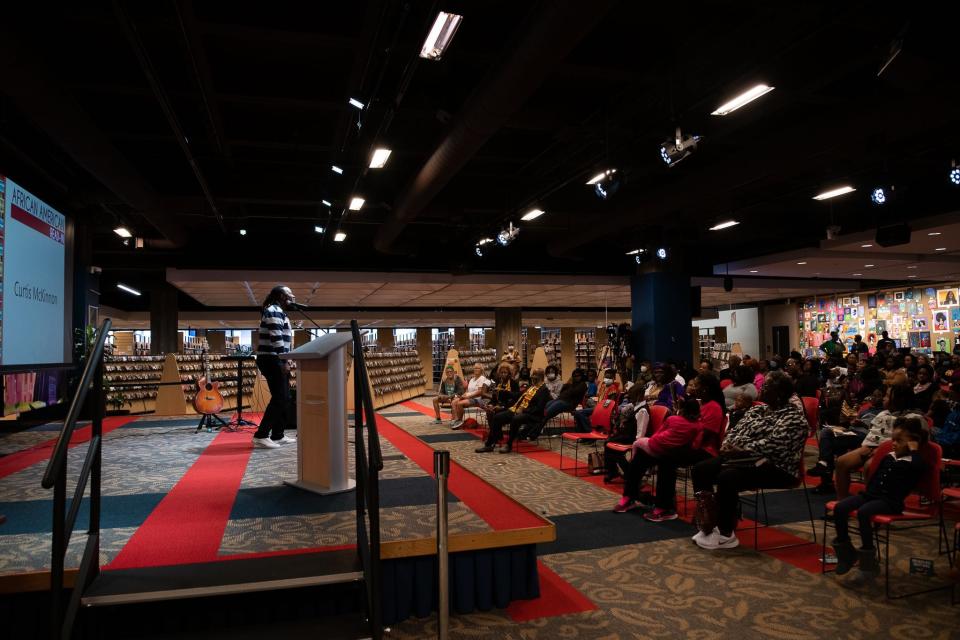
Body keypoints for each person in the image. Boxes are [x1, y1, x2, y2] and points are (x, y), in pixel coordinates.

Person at [690, 371, 808, 550]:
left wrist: (743, 449)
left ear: (780, 394)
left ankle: (726, 532)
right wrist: (732, 447)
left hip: (778, 467)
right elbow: (735, 432)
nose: (761, 389)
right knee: (701, 469)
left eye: (767, 387)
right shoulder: (757, 408)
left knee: (727, 477)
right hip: (744, 458)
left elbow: (775, 445)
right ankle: (708, 523)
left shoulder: (794, 417)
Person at [831, 417, 927, 577]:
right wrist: (866, 493)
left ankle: (868, 560)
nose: (894, 443)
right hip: (871, 495)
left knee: (864, 512)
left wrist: (914, 450)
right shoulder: (889, 456)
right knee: (840, 508)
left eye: (899, 440)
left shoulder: (914, 461)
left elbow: (919, 467)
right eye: (893, 439)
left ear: (912, 442)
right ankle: (846, 553)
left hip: (890, 501)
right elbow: (875, 478)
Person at [833, 384, 923, 499]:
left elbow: (910, 443)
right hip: (870, 448)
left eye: (887, 396)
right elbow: (873, 435)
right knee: (841, 462)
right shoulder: (883, 414)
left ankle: (871, 501)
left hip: (895, 452)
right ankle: (842, 500)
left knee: (870, 466)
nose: (884, 398)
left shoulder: (913, 418)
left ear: (899, 399)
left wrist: (879, 451)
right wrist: (867, 447)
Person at [809, 388, 883, 495]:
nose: (875, 398)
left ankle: (826, 476)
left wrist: (864, 425)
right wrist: (851, 424)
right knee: (826, 433)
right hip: (852, 432)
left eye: (879, 396)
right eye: (874, 395)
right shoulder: (866, 409)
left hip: (866, 437)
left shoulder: (884, 413)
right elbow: (852, 421)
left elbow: (878, 431)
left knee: (828, 445)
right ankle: (824, 465)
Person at [253, 285, 297, 449]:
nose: (292, 297)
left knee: (285, 398)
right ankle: (261, 435)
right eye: (289, 294)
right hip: (271, 359)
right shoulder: (273, 310)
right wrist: (284, 360)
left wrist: (289, 358)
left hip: (277, 358)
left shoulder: (280, 311)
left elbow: (286, 340)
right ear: (281, 295)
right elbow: (276, 338)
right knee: (281, 398)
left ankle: (278, 435)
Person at [476, 368, 550, 453]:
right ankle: (489, 444)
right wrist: (504, 392)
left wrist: (523, 410)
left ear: (541, 377)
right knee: (497, 417)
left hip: (532, 415)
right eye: (532, 375)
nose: (532, 377)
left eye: (535, 376)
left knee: (516, 419)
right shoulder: (531, 387)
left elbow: (539, 408)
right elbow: (517, 395)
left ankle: (509, 445)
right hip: (517, 410)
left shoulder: (544, 390)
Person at [530, 368, 587, 439]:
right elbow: (562, 391)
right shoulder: (572, 384)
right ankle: (532, 431)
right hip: (560, 400)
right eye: (574, 376)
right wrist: (568, 385)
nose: (576, 377)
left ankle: (534, 433)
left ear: (582, 376)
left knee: (546, 414)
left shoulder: (582, 385)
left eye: (578, 376)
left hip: (568, 403)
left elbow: (572, 393)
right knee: (543, 411)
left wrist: (568, 385)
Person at [450, 363, 491, 429]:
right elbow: (468, 391)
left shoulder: (482, 378)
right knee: (454, 402)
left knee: (459, 403)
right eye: (475, 368)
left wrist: (468, 396)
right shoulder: (472, 379)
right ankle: (455, 419)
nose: (475, 369)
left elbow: (479, 392)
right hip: (469, 397)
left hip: (477, 398)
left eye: (477, 368)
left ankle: (459, 421)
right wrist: (463, 395)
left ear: (481, 370)